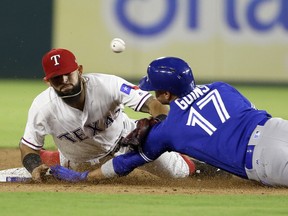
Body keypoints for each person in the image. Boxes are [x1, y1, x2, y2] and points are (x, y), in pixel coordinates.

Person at [50, 56, 288, 187]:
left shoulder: (167, 130)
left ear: (165, 95)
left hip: (262, 160)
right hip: (275, 127)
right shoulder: (222, 87)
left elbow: (123, 164)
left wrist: (84, 177)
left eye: (154, 91)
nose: (153, 95)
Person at [19, 49, 196, 182]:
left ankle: (204, 163)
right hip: (79, 162)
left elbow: (154, 104)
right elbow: (27, 146)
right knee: (78, 183)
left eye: (68, 74)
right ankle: (54, 158)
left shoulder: (108, 84)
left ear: (79, 70)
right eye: (57, 77)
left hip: (129, 145)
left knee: (179, 173)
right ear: (48, 81)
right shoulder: (42, 107)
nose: (64, 80)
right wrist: (34, 167)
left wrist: (160, 125)